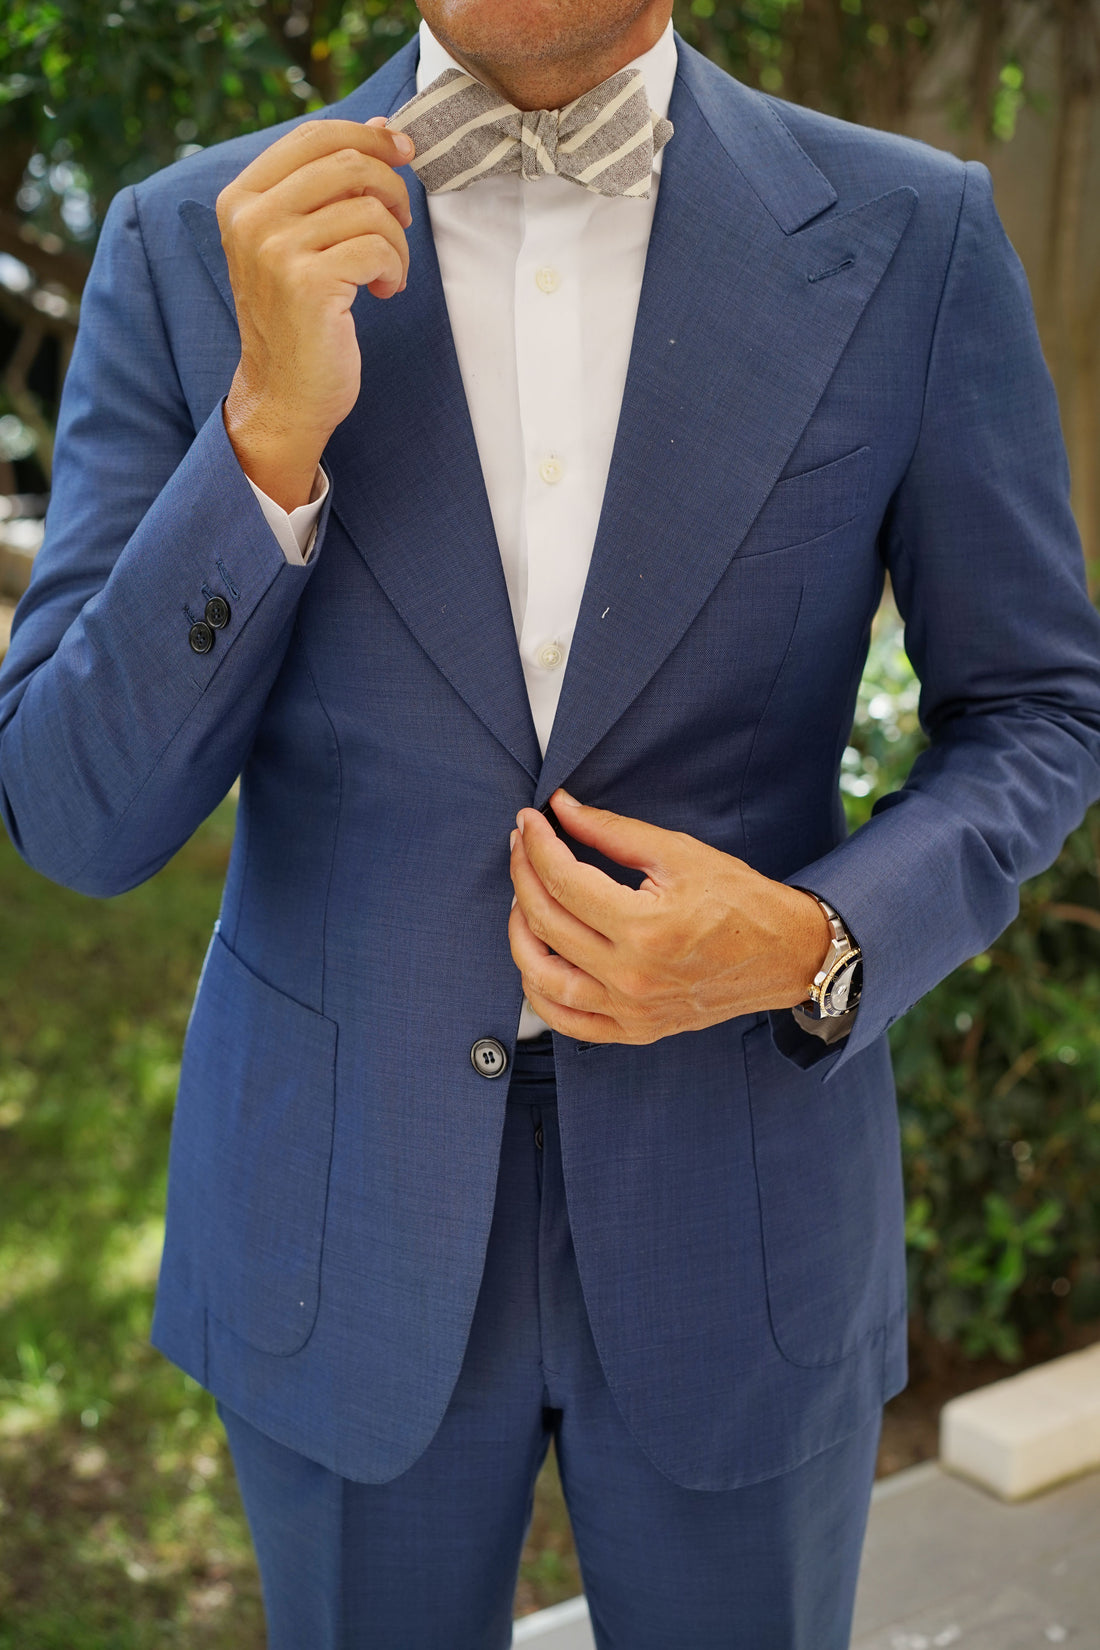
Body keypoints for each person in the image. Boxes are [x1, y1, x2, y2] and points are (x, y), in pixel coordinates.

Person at [2, 1, 1099, 1644]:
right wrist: (264, 437)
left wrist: (817, 940)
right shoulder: (188, 243)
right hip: (335, 1223)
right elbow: (76, 818)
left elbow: (1039, 710)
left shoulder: (912, 235)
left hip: (745, 1216)